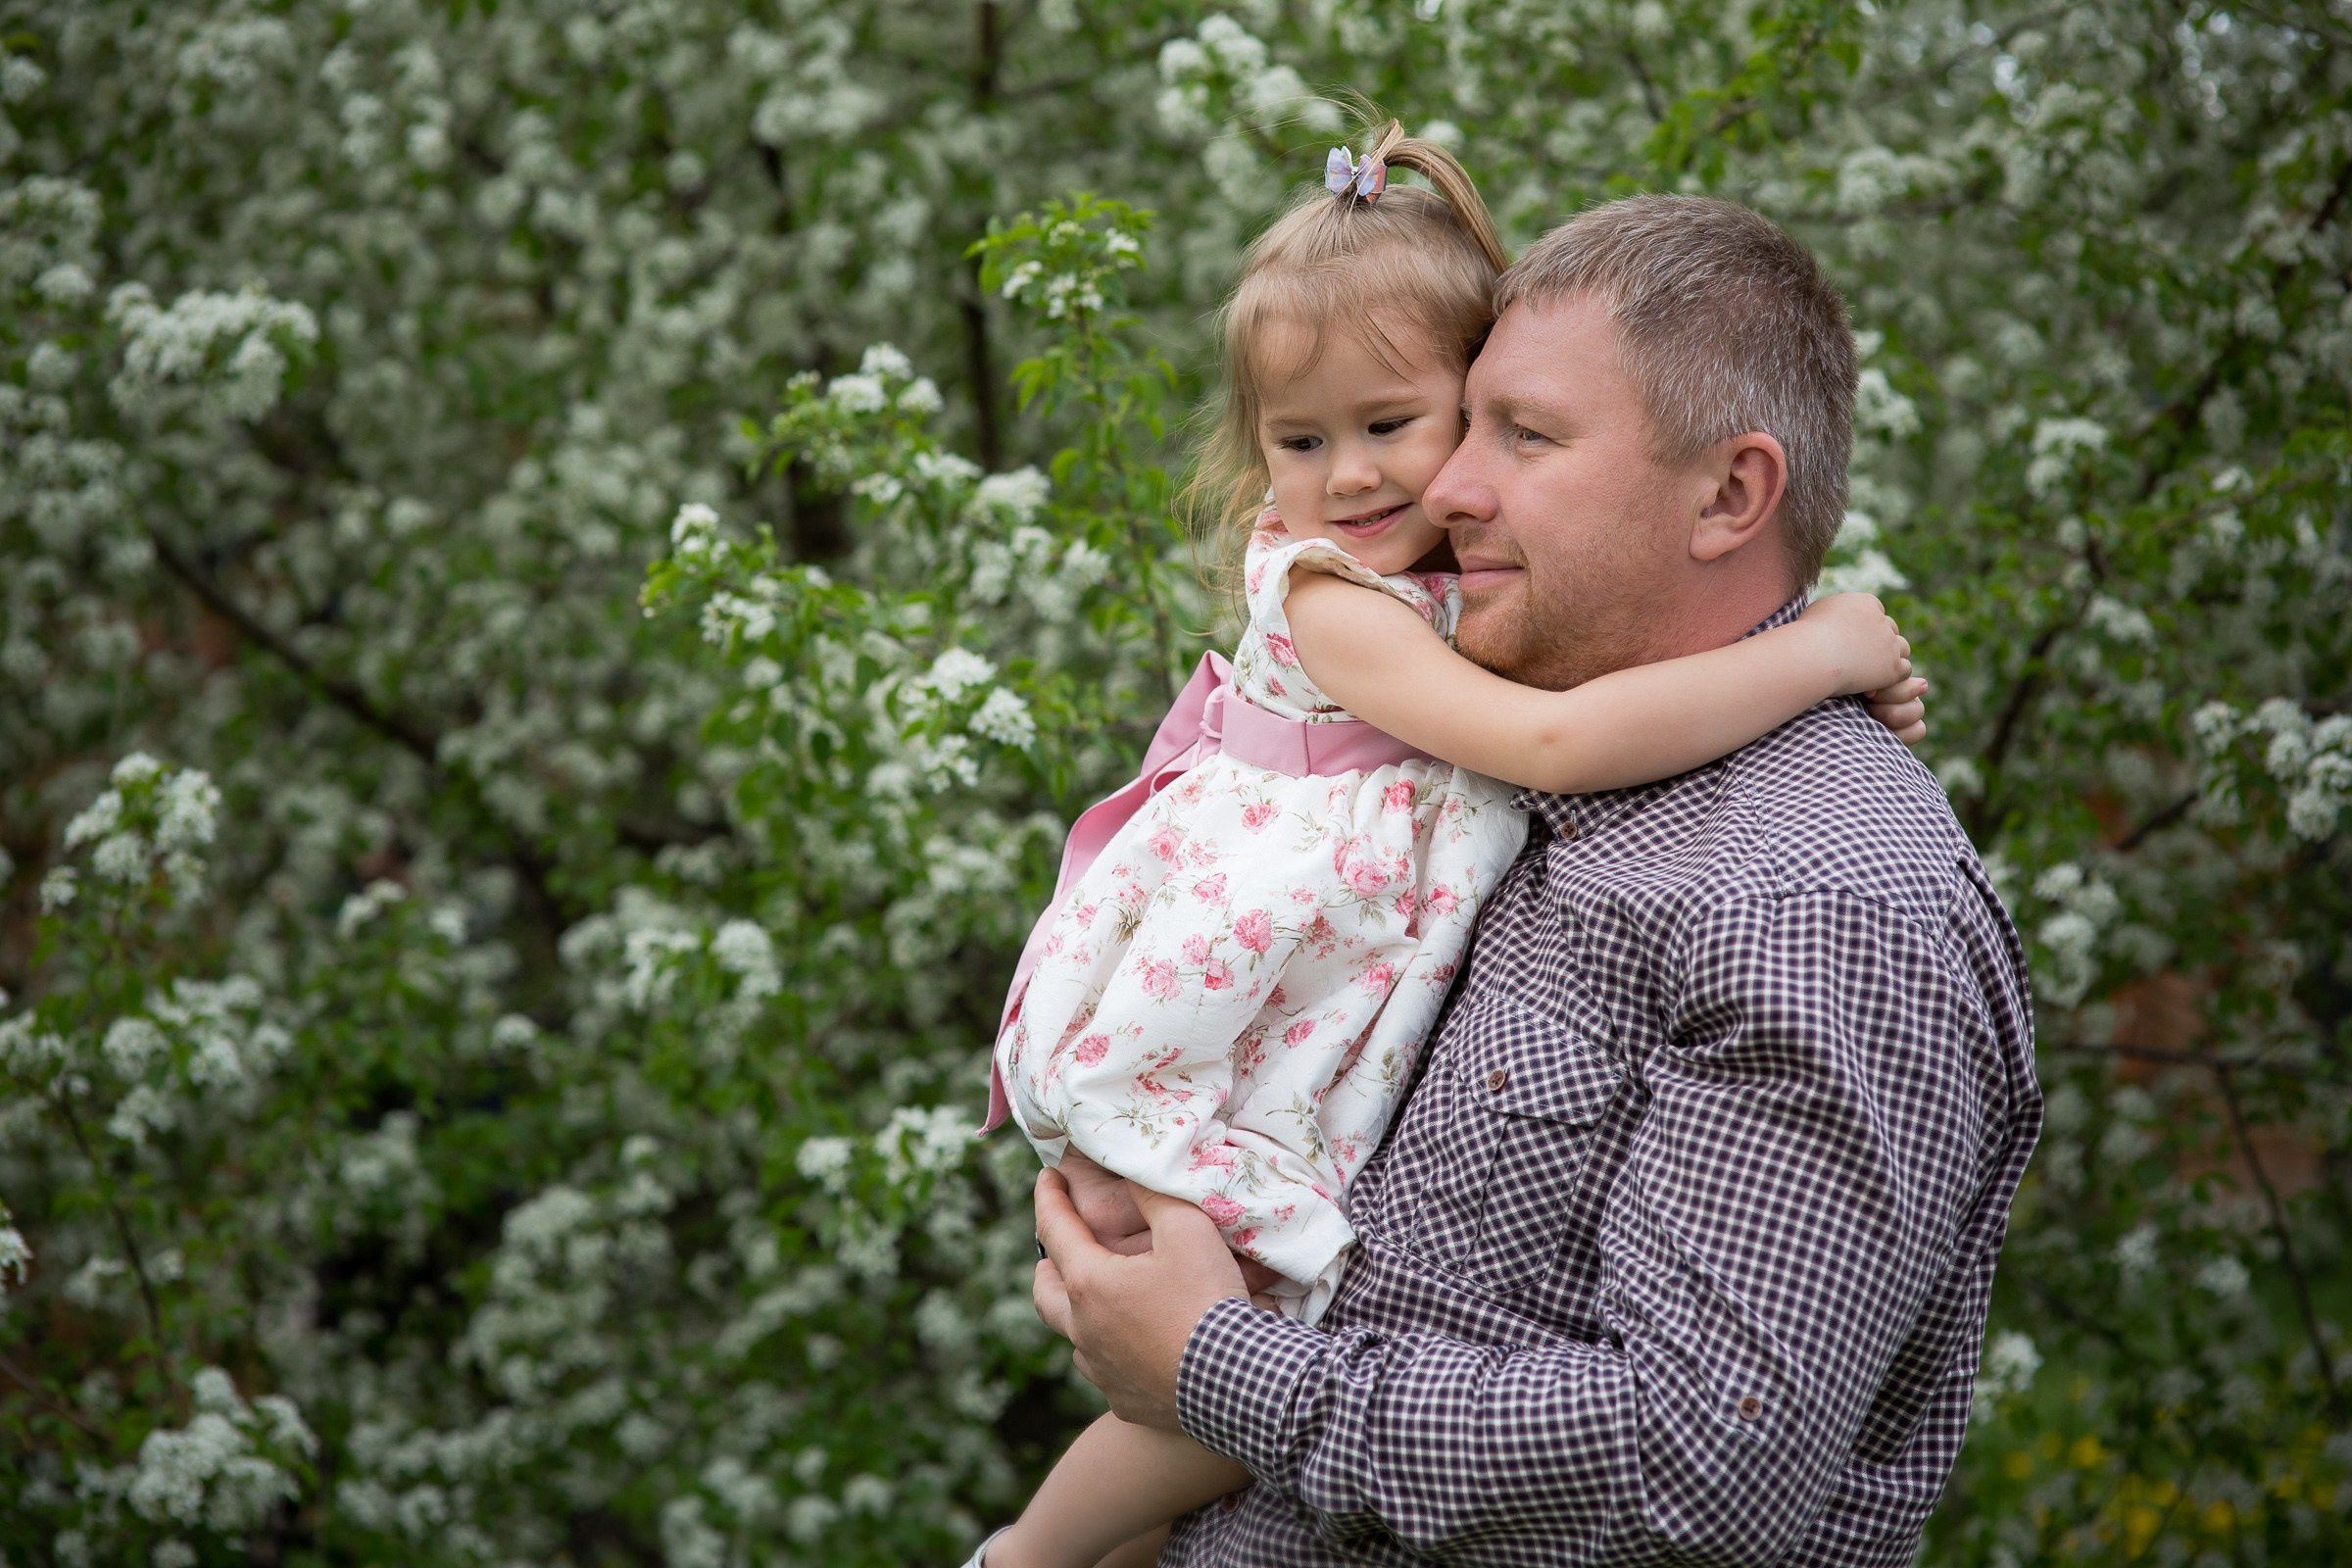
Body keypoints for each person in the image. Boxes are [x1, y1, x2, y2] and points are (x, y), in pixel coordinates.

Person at [1026, 192, 2042, 1568]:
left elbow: (1698, 1473)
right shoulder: (1496, 785)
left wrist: (1217, 1368)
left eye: (1526, 435)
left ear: (1732, 494)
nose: (1443, 486)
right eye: (1465, 416)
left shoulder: (1811, 892)